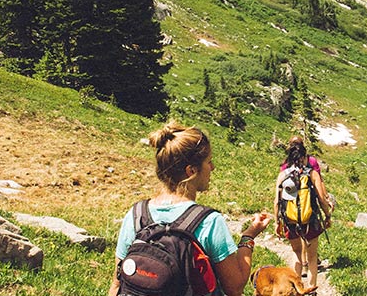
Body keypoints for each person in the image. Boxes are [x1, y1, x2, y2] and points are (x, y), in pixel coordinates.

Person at [108, 121, 271, 296]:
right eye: (209, 162)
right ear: (191, 171)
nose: (213, 167)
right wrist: (248, 237)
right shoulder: (209, 222)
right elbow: (235, 287)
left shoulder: (137, 215)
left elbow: (117, 283)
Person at [274, 139, 332, 291]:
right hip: (310, 220)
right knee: (312, 258)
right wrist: (327, 216)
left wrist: (277, 222)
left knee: (297, 253)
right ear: (305, 157)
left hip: (290, 221)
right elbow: (321, 199)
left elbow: (277, 202)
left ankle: (296, 289)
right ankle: (312, 289)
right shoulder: (312, 174)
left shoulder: (282, 175)